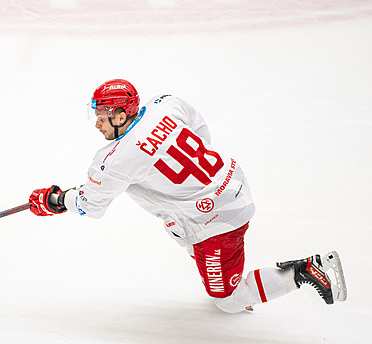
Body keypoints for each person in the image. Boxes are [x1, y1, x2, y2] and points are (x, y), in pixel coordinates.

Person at [28, 79, 347, 313]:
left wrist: (56, 200)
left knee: (228, 302)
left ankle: (305, 270)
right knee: (177, 224)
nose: (97, 123)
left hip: (216, 221)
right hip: (232, 184)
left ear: (122, 115)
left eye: (103, 115)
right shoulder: (165, 103)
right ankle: (227, 271)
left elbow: (90, 205)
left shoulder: (116, 159)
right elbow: (199, 128)